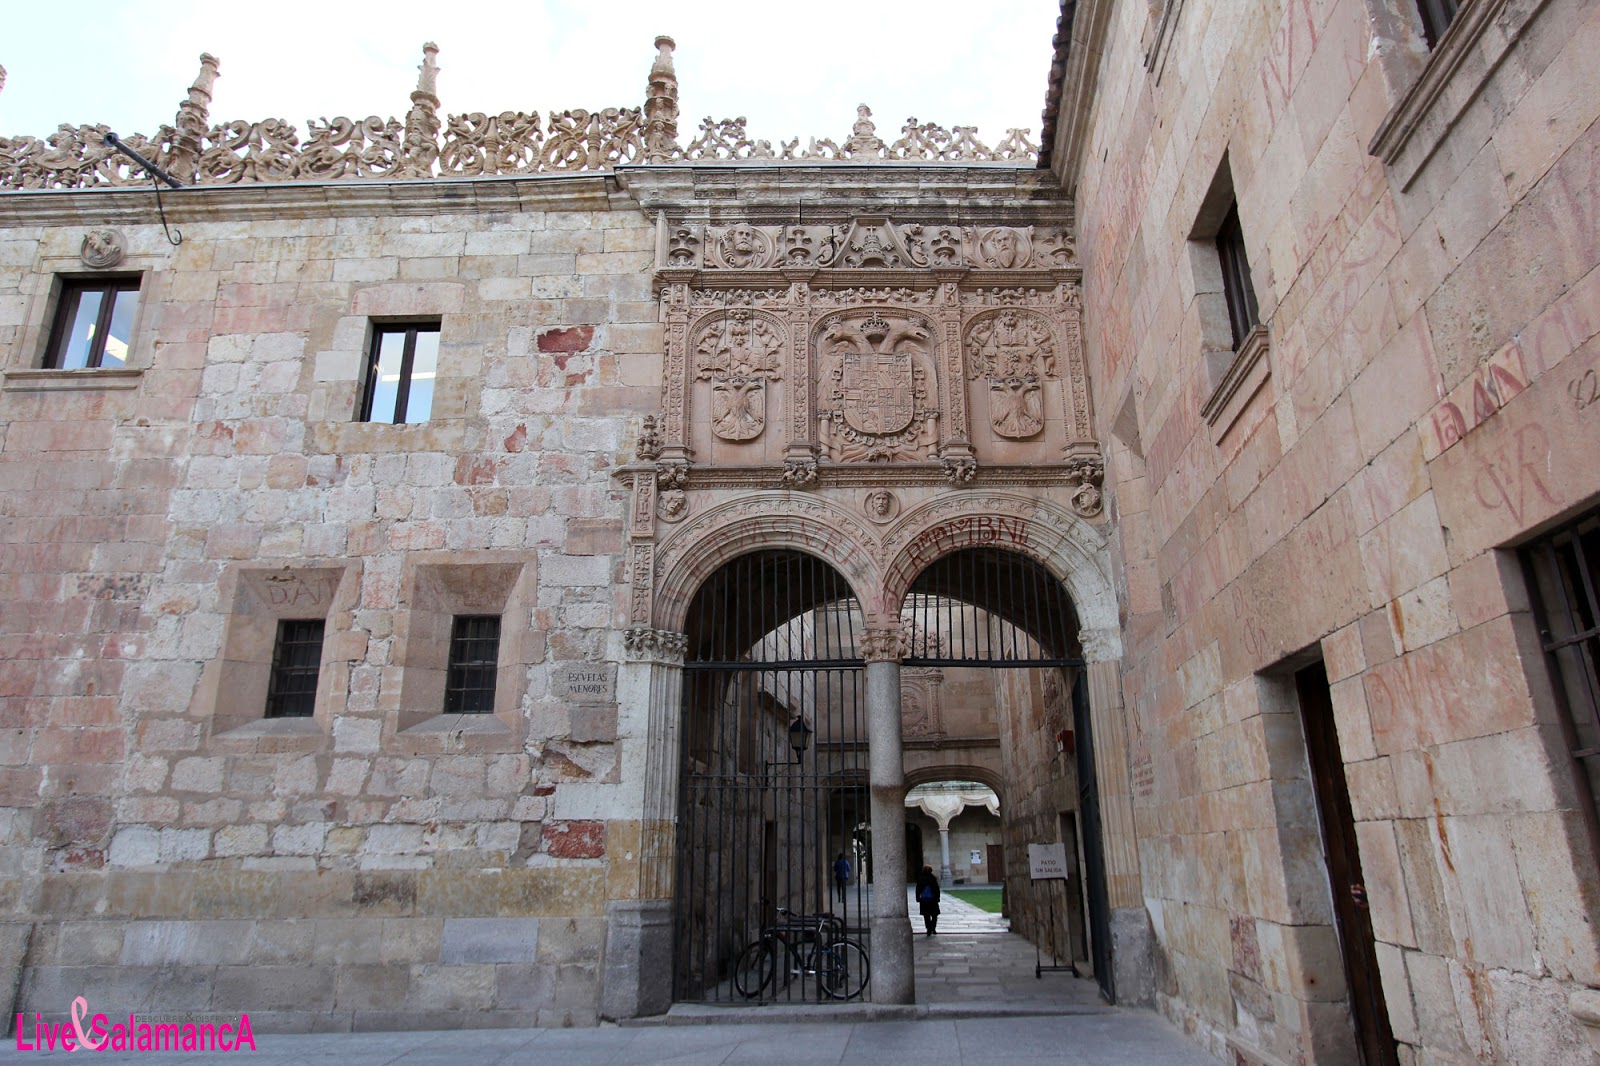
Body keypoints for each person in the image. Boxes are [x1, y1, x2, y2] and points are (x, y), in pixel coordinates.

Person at [915, 864, 941, 936]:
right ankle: (933, 928)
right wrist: (938, 897)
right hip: (932, 899)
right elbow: (936, 889)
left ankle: (928, 929)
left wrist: (918, 898)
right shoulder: (933, 878)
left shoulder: (921, 879)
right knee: (934, 915)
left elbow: (918, 889)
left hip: (924, 900)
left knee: (926, 916)